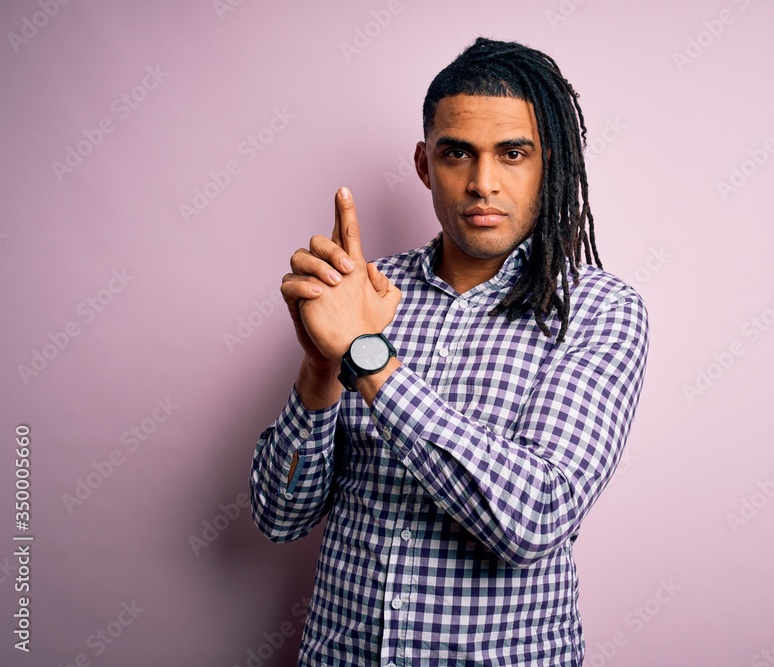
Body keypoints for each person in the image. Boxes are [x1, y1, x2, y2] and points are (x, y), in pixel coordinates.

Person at [249, 36, 649, 666]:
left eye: (513, 153)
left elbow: (535, 518)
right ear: (424, 164)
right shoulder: (364, 293)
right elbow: (279, 515)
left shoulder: (599, 310)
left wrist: (367, 357)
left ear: (549, 163)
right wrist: (321, 365)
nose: (483, 184)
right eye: (458, 153)